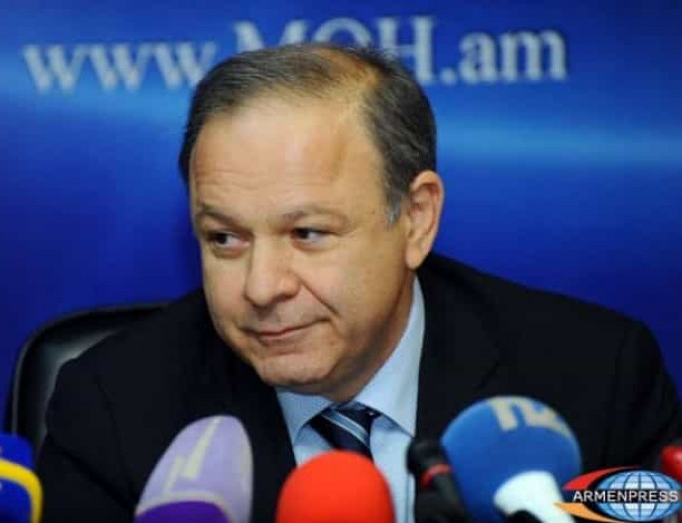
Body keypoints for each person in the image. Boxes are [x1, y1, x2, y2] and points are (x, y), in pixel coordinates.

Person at [37, 43, 681, 522]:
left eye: (307, 233)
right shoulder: (115, 407)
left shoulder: (595, 378)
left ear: (416, 219)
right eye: (225, 239)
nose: (261, 287)